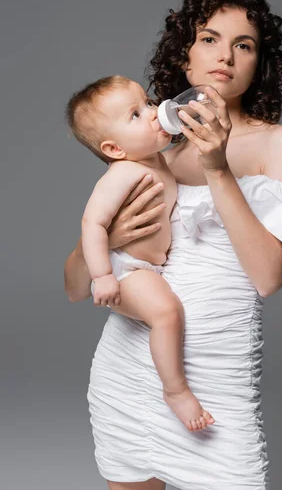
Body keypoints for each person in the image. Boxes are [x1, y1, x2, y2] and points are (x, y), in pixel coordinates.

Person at [64, 0, 282, 490]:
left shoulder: (281, 143)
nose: (225, 55)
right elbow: (76, 287)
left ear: (259, 64)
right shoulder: (153, 151)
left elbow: (268, 277)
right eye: (210, 38)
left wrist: (217, 167)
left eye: (245, 45)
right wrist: (107, 239)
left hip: (214, 373)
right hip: (129, 365)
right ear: (184, 58)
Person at [65, 76, 215, 432]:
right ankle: (175, 390)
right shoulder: (124, 172)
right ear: (114, 149)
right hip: (125, 270)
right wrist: (102, 275)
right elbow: (93, 223)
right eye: (135, 114)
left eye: (148, 103)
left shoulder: (160, 161)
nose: (152, 113)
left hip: (148, 268)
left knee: (166, 309)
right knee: (167, 312)